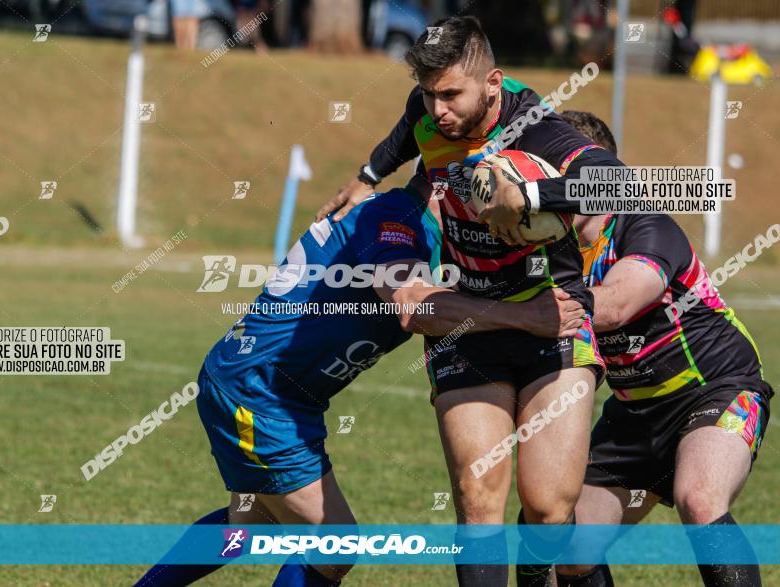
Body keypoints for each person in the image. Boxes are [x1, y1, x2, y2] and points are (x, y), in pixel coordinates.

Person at [133, 176, 587, 587]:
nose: (493, 212)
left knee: (249, 522)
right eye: (487, 196)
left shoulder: (425, 229)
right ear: (445, 187)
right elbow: (416, 307)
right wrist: (527, 317)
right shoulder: (394, 218)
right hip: (259, 393)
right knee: (334, 547)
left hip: (274, 391)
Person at [315, 15, 623, 586]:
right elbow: (405, 134)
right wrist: (367, 175)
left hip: (554, 319)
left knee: (550, 511)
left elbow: (613, 183)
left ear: (493, 83)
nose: (438, 110)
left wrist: (526, 195)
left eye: (451, 94)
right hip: (469, 322)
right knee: (477, 497)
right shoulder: (429, 109)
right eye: (430, 94)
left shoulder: (536, 126)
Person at [550, 110, 772, 587]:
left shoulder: (647, 224)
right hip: (635, 415)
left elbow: (615, 304)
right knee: (567, 552)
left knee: (699, 498)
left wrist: (537, 310)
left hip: (715, 390)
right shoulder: (551, 249)